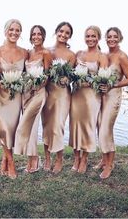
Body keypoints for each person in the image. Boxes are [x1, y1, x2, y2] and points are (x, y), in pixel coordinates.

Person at [0, 19, 28, 179]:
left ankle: (5, 158)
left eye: (17, 30)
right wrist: (0, 86)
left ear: (20, 33)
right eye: (11, 29)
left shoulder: (25, 52)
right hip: (0, 96)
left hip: (16, 96)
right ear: (5, 31)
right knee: (4, 128)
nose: (14, 33)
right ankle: (11, 162)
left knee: (11, 129)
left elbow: (27, 74)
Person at [96, 27, 128, 179]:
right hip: (101, 96)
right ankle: (104, 159)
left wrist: (114, 85)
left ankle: (110, 164)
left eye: (115, 37)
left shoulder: (122, 57)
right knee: (100, 127)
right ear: (105, 38)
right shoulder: (104, 55)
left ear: (120, 38)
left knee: (106, 128)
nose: (112, 39)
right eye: (109, 37)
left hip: (113, 96)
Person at [69, 25, 108, 174]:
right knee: (75, 126)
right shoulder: (78, 54)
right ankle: (76, 158)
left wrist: (89, 81)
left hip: (92, 97)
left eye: (93, 36)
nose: (90, 39)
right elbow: (70, 73)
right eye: (88, 36)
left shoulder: (102, 56)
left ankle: (84, 158)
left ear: (98, 37)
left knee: (88, 127)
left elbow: (103, 80)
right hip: (76, 95)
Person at [14, 25, 52, 173]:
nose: (36, 36)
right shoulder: (28, 53)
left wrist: (36, 87)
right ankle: (31, 158)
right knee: (28, 126)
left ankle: (35, 159)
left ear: (43, 36)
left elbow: (47, 76)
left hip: (38, 93)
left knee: (32, 125)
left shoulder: (46, 53)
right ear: (30, 36)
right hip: (26, 94)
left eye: (39, 34)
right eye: (34, 34)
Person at [42, 21, 75, 174]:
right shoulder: (46, 50)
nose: (63, 34)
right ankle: (47, 157)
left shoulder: (71, 55)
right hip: (47, 92)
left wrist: (67, 79)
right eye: (61, 31)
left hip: (62, 94)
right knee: (47, 126)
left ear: (69, 36)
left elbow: (72, 76)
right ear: (56, 32)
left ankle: (59, 159)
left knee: (58, 126)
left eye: (67, 33)